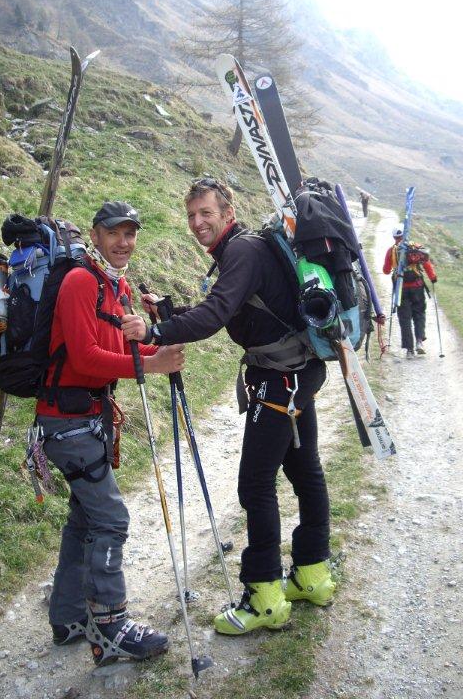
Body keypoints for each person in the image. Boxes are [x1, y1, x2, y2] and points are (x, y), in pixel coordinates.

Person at [122, 178, 336, 636]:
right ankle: (313, 576)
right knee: (304, 472)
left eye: (206, 213)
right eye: (192, 215)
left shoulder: (242, 252)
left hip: (278, 381)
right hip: (299, 371)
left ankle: (264, 597)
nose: (198, 222)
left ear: (227, 212)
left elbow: (214, 316)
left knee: (255, 485)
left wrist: (153, 334)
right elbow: (227, 308)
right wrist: (170, 316)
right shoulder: (244, 250)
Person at [35, 200, 185, 665]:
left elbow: (119, 345)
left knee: (85, 519)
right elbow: (83, 358)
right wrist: (150, 365)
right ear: (95, 236)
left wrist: (159, 344)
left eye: (130, 233)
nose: (124, 242)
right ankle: (111, 627)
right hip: (67, 421)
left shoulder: (111, 284)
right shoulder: (82, 281)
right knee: (111, 520)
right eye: (114, 233)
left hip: (87, 417)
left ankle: (69, 618)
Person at [383, 223, 437, 358]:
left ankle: (409, 350)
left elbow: (385, 270)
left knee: (405, 318)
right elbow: (427, 264)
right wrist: (433, 278)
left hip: (401, 289)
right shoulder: (415, 247)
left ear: (394, 236)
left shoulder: (392, 250)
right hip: (417, 286)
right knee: (419, 313)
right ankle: (419, 341)